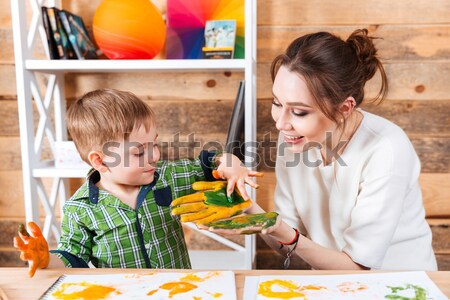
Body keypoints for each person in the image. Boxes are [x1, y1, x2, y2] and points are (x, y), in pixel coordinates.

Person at [193, 29, 437, 270]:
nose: (281, 123)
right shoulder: (293, 139)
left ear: (344, 108)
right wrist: (245, 203)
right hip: (334, 284)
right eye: (277, 103)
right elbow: (284, 242)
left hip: (400, 285)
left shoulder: (386, 150)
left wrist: (285, 233)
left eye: (299, 111)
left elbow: (357, 267)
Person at [13, 89, 258, 276]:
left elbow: (208, 163)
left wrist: (230, 162)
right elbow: (72, 256)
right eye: (140, 152)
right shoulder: (80, 209)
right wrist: (47, 260)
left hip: (179, 290)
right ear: (100, 161)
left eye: (154, 144)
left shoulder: (167, 176)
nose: (155, 156)